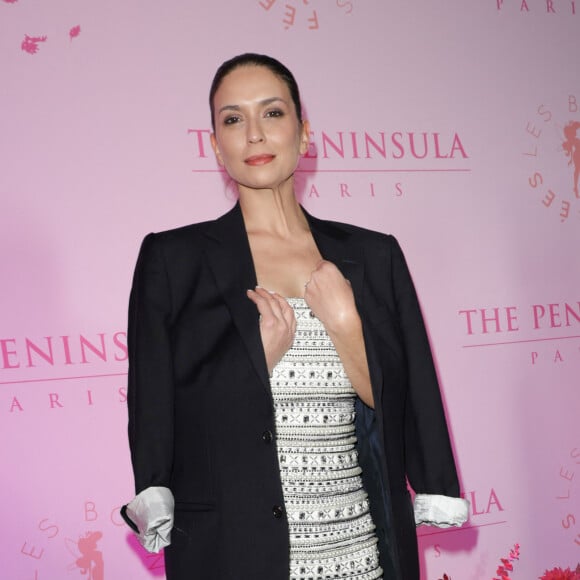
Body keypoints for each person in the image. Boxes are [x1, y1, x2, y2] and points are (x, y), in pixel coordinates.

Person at [121, 53, 468, 580]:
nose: (254, 135)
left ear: (304, 134)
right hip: (234, 554)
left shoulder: (372, 257)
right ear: (216, 145)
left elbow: (405, 405)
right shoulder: (173, 261)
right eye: (233, 119)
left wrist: (347, 325)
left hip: (360, 554)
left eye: (273, 113)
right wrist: (256, 361)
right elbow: (160, 419)